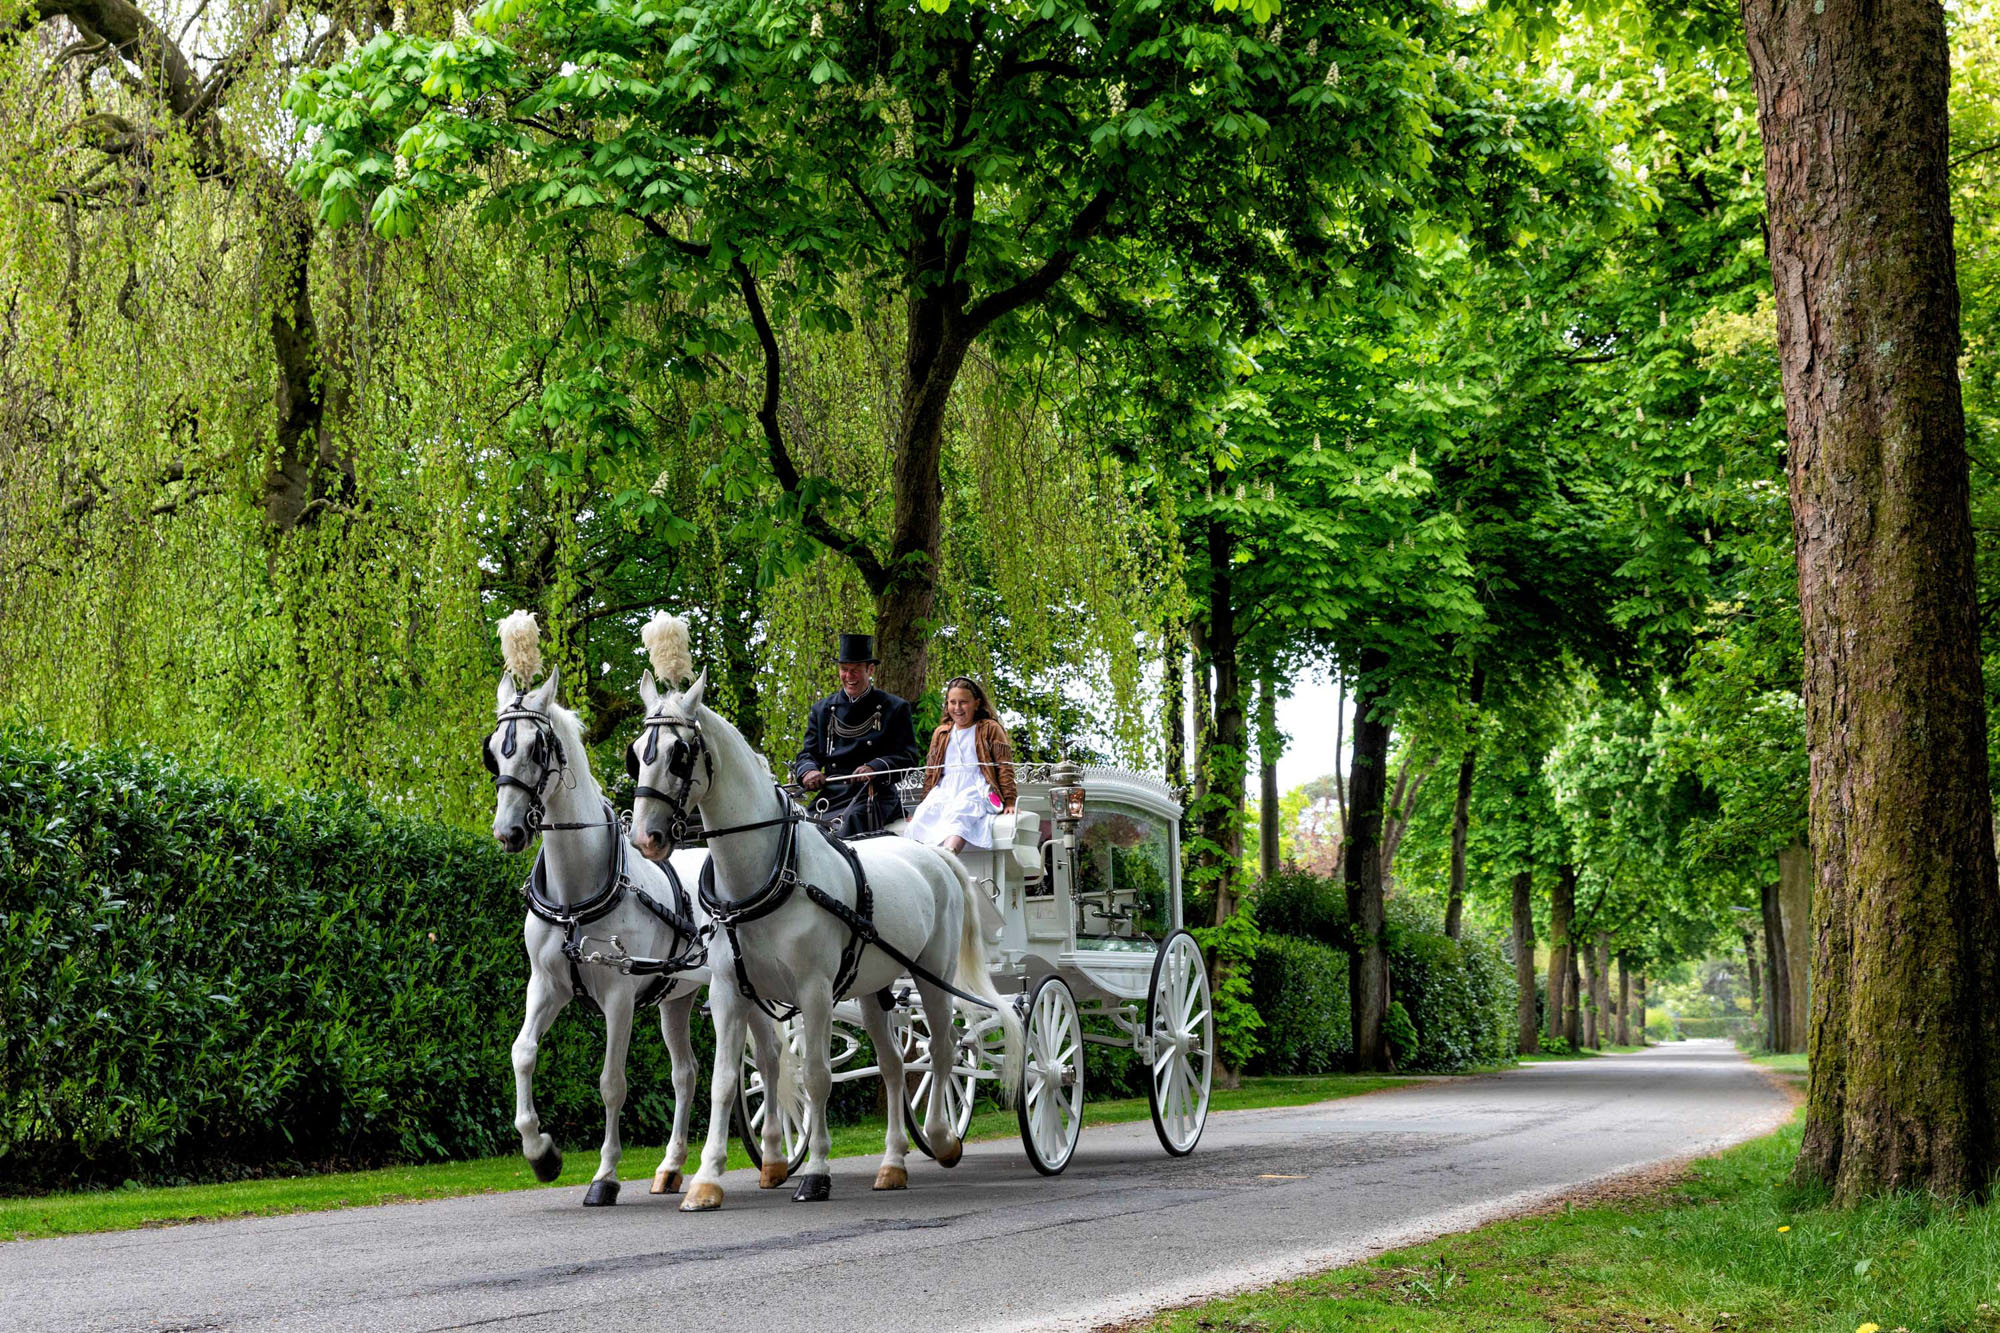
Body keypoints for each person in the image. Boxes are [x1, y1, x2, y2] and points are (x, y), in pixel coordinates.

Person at [792, 633, 920, 837]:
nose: (849, 676)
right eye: (844, 670)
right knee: (799, 832)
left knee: (846, 826)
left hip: (873, 795)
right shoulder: (822, 710)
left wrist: (874, 767)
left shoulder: (895, 707)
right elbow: (808, 754)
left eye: (855, 670)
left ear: (870, 670)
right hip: (832, 795)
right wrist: (808, 771)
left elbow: (908, 757)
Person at [905, 677, 1017, 852]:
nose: (957, 708)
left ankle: (949, 859)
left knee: (960, 815)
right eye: (952, 702)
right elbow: (932, 773)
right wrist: (922, 804)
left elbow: (1004, 766)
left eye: (963, 702)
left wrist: (1010, 801)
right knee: (923, 818)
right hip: (946, 789)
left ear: (976, 703)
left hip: (975, 788)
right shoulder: (941, 733)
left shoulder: (989, 728)